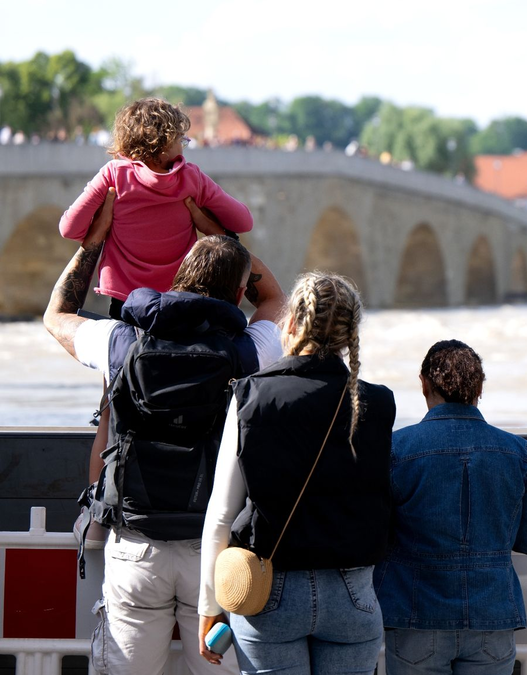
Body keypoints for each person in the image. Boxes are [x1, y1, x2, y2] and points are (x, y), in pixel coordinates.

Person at [43, 200, 286, 675]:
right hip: (214, 550)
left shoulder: (121, 343)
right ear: (239, 293)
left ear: (177, 279)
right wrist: (223, 239)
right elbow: (276, 300)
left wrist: (94, 243)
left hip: (137, 543)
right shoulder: (249, 353)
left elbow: (58, 314)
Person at [199, 272, 396, 674]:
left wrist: (210, 605)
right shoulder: (378, 403)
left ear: (290, 322)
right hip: (352, 593)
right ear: (350, 333)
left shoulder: (252, 395)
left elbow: (221, 513)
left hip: (269, 589)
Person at [375, 340, 527, 675]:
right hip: (492, 614)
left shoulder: (395, 449)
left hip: (416, 613)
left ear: (424, 384)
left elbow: (374, 535)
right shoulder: (517, 451)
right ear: (480, 388)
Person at [58, 97, 253, 319]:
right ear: (164, 145)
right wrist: (205, 220)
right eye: (181, 140)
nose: (184, 147)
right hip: (178, 298)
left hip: (126, 300)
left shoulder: (113, 175)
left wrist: (101, 225)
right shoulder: (191, 178)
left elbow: (69, 229)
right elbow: (243, 222)